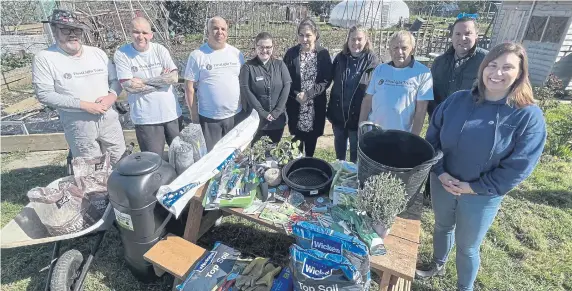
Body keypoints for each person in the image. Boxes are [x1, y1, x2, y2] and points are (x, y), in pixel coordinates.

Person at [417, 42, 547, 291]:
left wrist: (473, 187)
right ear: (483, 68)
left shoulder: (527, 116)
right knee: (442, 226)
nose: (497, 73)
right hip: (443, 181)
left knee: (467, 246)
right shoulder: (457, 100)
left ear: (520, 73)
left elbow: (519, 166)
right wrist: (441, 172)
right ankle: (438, 263)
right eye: (492, 65)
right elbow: (432, 139)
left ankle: (464, 287)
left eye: (507, 67)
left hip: (482, 194)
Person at [33, 9, 126, 164]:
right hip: (78, 121)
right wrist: (84, 105)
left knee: (120, 159)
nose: (72, 34)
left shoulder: (97, 53)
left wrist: (111, 96)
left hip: (108, 117)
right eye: (66, 30)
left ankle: (120, 187)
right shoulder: (45, 58)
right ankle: (97, 188)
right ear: (55, 31)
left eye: (77, 30)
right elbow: (44, 94)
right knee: (90, 165)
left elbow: (116, 80)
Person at [114, 17, 181, 156]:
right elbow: (129, 86)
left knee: (181, 156)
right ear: (130, 33)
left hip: (172, 114)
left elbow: (173, 77)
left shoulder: (159, 49)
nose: (140, 36)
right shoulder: (122, 54)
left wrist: (143, 82)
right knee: (153, 160)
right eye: (136, 32)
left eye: (145, 32)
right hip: (146, 119)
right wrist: (161, 81)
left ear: (151, 34)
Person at [184, 16, 245, 151]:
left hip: (234, 115)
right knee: (212, 156)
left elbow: (243, 82)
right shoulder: (197, 55)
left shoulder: (236, 54)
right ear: (208, 32)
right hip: (209, 118)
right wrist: (194, 117)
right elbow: (189, 88)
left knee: (235, 153)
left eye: (223, 29)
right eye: (215, 28)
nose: (220, 32)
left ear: (227, 32)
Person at [359, 31, 433, 136]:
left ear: (412, 49)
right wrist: (361, 127)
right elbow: (367, 100)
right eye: (395, 48)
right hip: (374, 133)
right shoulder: (380, 69)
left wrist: (413, 139)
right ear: (389, 50)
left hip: (401, 135)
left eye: (404, 48)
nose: (399, 52)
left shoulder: (423, 73)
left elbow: (421, 112)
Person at [327, 25, 379, 162]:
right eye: (353, 39)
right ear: (348, 40)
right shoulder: (340, 58)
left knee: (355, 149)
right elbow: (328, 78)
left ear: (366, 40)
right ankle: (340, 170)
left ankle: (353, 176)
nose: (356, 43)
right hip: (338, 113)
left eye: (359, 39)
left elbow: (369, 88)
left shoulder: (372, 61)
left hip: (358, 115)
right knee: (339, 146)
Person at [283, 18, 333, 157]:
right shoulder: (291, 54)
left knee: (311, 141)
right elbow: (285, 78)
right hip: (296, 104)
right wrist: (296, 94)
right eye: (301, 35)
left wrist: (309, 94)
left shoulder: (323, 54)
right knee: (296, 143)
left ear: (315, 35)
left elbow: (326, 79)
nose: (304, 39)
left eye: (308, 35)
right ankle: (296, 169)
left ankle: (309, 163)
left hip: (314, 105)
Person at [428, 16, 488, 118]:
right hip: (441, 122)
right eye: (458, 34)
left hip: (471, 123)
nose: (462, 38)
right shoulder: (439, 62)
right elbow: (431, 94)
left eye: (467, 33)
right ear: (452, 36)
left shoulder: (486, 61)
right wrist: (436, 117)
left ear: (476, 36)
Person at [240, 32, 292, 143]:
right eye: (261, 47)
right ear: (255, 47)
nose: (264, 50)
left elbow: (286, 87)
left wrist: (276, 112)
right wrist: (262, 112)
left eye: (268, 47)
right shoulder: (248, 67)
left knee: (274, 153)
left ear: (273, 48)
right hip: (257, 120)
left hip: (277, 120)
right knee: (257, 154)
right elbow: (246, 91)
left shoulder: (280, 65)